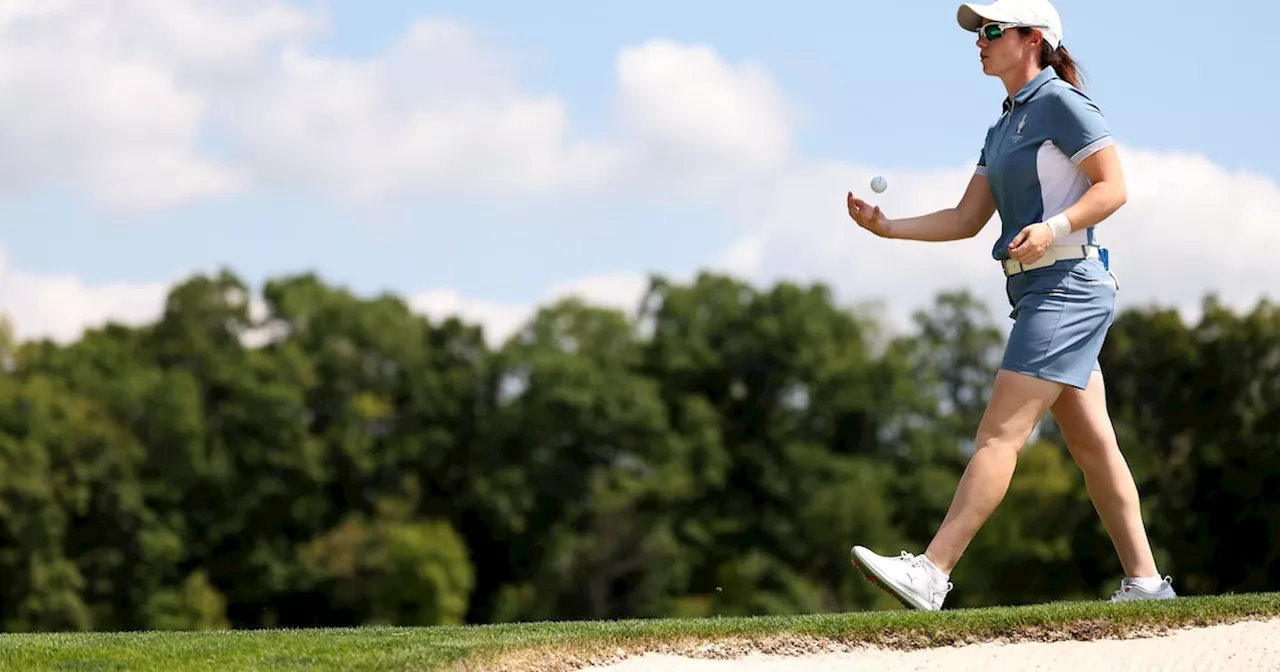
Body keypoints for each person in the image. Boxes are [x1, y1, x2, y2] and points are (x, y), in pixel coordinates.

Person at [844, 0, 1177, 611]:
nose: (980, 40)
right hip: (1037, 291)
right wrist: (888, 228)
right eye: (978, 32)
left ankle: (933, 571)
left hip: (1066, 286)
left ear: (1033, 39)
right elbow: (969, 218)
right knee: (1093, 444)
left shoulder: (1060, 104)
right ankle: (1148, 584)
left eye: (992, 30)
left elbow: (1114, 187)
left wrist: (1054, 227)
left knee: (999, 434)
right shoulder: (1003, 125)